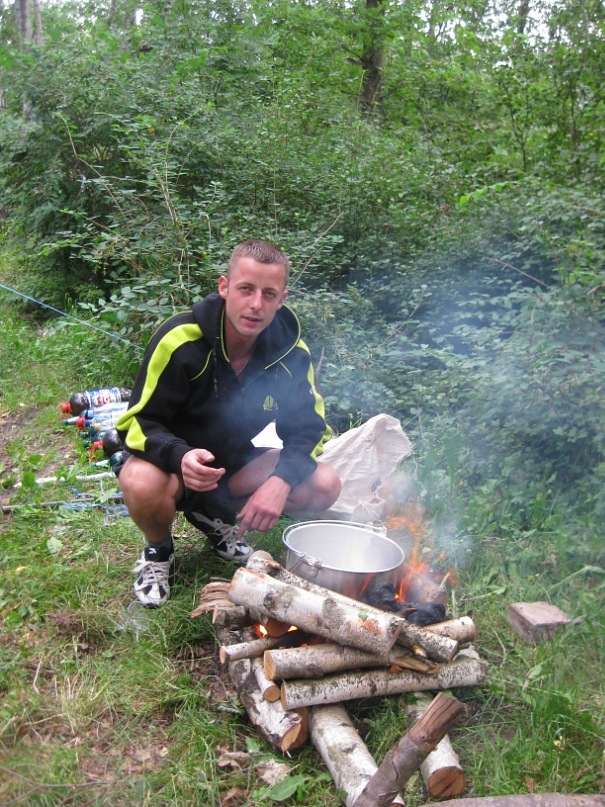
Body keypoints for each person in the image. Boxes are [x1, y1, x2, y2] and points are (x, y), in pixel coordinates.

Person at [115, 239, 341, 607]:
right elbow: (137, 423)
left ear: (281, 300)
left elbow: (309, 430)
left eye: (269, 294)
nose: (256, 304)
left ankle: (214, 517)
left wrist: (281, 480)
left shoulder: (291, 353)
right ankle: (158, 550)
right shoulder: (180, 340)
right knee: (138, 479)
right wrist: (179, 456)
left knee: (325, 484)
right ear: (224, 287)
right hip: (177, 471)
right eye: (246, 289)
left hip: (237, 468)